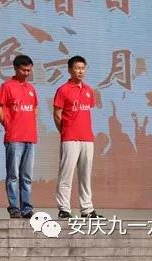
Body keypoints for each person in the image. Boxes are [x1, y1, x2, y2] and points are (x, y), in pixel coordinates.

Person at [53, 55, 103, 219]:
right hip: (70, 139)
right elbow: (57, 114)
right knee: (66, 175)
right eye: (77, 68)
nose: (80, 71)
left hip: (87, 138)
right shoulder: (63, 90)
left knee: (85, 175)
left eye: (83, 68)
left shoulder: (88, 90)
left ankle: (87, 209)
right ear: (70, 70)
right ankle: (64, 209)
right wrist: (65, 131)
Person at [0, 55, 38, 219]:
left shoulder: (31, 88)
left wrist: (31, 124)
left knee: (26, 176)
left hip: (30, 138)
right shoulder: (7, 86)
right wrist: (7, 123)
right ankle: (14, 208)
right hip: (14, 137)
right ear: (16, 69)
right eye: (24, 70)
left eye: (29, 70)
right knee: (13, 175)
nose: (27, 73)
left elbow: (35, 108)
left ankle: (26, 208)